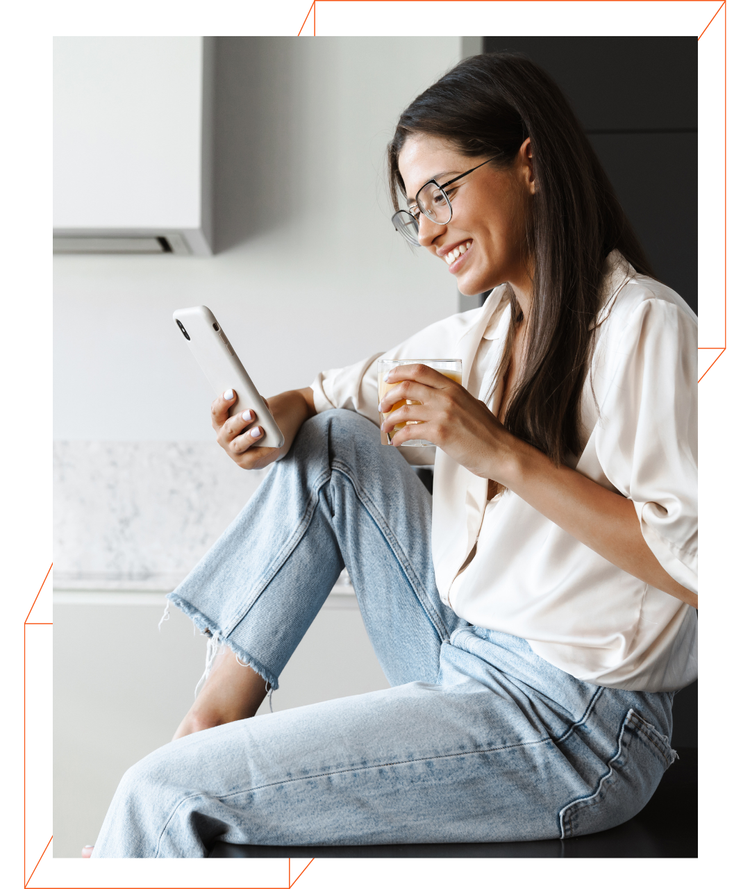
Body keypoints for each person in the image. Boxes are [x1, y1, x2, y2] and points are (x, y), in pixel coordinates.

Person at [86, 52, 697, 857]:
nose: (431, 227)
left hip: (577, 719)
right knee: (334, 441)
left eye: (441, 192)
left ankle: (181, 772)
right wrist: (284, 409)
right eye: (415, 211)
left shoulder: (644, 326)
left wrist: (499, 450)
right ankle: (211, 713)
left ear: (530, 163)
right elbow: (335, 394)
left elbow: (697, 560)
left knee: (159, 796)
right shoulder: (482, 335)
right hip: (468, 652)